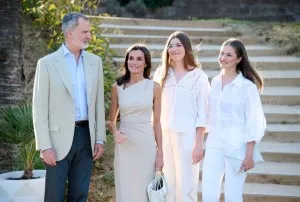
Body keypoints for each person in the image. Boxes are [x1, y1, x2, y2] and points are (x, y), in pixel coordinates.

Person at [32, 12, 106, 202]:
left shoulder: (94, 62)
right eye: (85, 32)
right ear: (69, 33)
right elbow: (39, 108)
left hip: (86, 137)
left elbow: (98, 104)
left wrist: (100, 138)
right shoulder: (47, 63)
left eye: (89, 32)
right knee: (54, 197)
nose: (89, 36)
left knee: (80, 195)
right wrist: (45, 146)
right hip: (56, 141)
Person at [202, 38, 266, 202]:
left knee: (233, 195)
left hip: (237, 148)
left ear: (239, 59)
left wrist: (249, 154)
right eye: (222, 53)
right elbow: (209, 114)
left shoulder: (247, 88)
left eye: (229, 55)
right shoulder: (214, 82)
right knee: (209, 193)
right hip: (214, 146)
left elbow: (255, 121)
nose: (223, 57)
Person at [153, 31, 210, 202]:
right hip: (164, 136)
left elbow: (203, 111)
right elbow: (154, 108)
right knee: (168, 184)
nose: (174, 49)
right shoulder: (162, 74)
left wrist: (199, 143)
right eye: (170, 45)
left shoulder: (199, 76)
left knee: (187, 186)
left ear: (186, 48)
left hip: (188, 137)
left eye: (178, 45)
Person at [108, 44, 164, 202]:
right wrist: (115, 132)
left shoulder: (154, 87)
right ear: (126, 62)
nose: (134, 62)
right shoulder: (117, 87)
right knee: (125, 188)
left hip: (146, 144)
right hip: (124, 143)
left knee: (144, 190)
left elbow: (157, 122)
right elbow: (111, 121)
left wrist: (160, 152)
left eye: (139, 59)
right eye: (131, 58)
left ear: (146, 63)